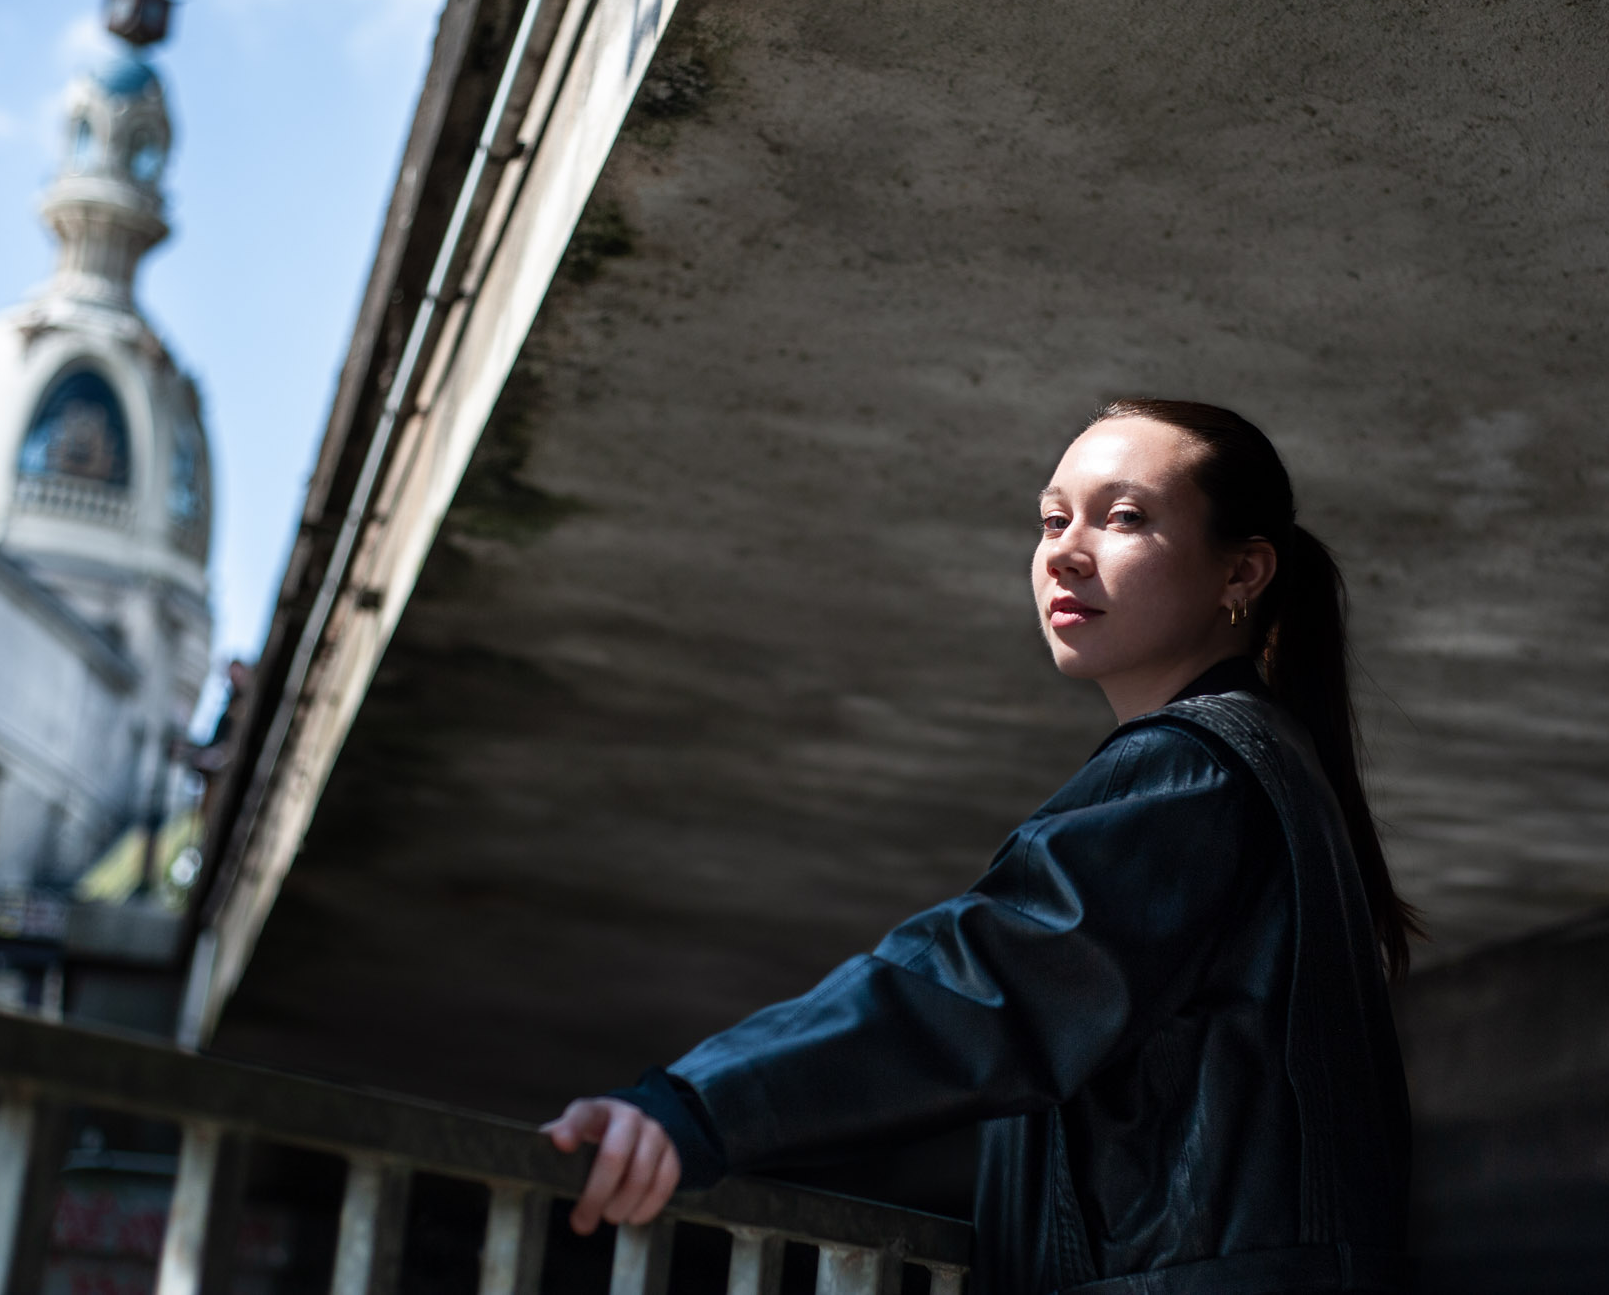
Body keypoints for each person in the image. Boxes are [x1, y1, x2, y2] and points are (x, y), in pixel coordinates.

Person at [543, 400, 1420, 1295]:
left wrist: (701, 1105)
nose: (1065, 551)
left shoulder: (1189, 769)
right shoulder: (1260, 762)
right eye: (1052, 518)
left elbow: (983, 984)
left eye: (1123, 517)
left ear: (1243, 571)